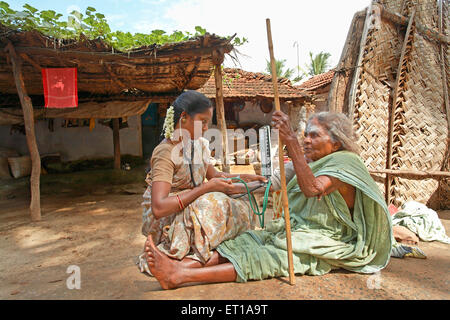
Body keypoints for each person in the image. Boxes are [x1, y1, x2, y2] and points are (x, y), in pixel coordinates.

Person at [143, 110, 394, 289]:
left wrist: (292, 142)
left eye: (314, 136)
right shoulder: (309, 162)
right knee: (246, 241)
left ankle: (179, 277)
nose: (306, 140)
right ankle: (181, 266)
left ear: (336, 142)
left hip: (327, 237)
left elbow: (313, 189)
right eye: (304, 134)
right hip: (298, 228)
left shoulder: (346, 162)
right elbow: (270, 184)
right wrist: (227, 187)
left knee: (269, 257)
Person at [138, 90, 267, 273]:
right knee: (214, 202)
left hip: (192, 206)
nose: (206, 128)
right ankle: (180, 250)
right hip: (167, 216)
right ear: (184, 117)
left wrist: (245, 178)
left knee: (243, 199)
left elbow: (214, 176)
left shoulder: (197, 145)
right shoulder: (165, 152)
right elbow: (159, 207)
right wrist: (205, 189)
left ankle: (204, 246)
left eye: (208, 122)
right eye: (202, 121)